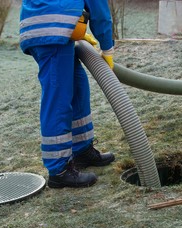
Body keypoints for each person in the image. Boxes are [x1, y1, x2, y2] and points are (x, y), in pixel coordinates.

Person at [20, 0, 115, 188]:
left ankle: (81, 151)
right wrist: (107, 48)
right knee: (58, 100)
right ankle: (59, 170)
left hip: (48, 26)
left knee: (78, 87)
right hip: (53, 31)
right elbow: (99, 10)